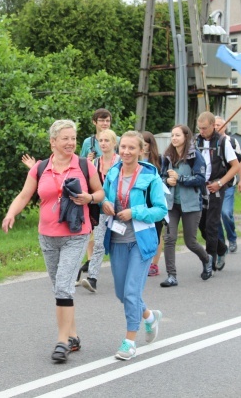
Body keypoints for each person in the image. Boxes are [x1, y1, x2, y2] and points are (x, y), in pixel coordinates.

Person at [2, 119, 104, 363]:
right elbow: (25, 195)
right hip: (47, 236)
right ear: (53, 142)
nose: (71, 143)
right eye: (65, 138)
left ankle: (62, 342)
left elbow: (100, 193)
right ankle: (74, 335)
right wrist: (10, 213)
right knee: (61, 287)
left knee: (62, 287)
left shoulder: (84, 165)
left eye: (73, 138)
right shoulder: (40, 168)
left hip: (76, 234)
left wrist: (89, 197)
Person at [101, 131, 167, 360]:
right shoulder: (112, 173)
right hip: (117, 239)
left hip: (141, 241)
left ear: (141, 151)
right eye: (123, 147)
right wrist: (106, 203)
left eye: (132, 148)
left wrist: (135, 212)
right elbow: (105, 198)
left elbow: (161, 210)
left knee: (131, 292)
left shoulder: (150, 177)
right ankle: (149, 316)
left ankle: (129, 341)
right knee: (122, 293)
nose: (126, 152)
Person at [160, 125, 211, 287]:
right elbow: (160, 178)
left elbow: (201, 179)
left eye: (177, 135)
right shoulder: (167, 156)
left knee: (190, 241)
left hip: (191, 205)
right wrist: (167, 181)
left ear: (186, 137)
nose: (174, 138)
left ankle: (207, 259)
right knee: (169, 238)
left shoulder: (194, 156)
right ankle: (171, 276)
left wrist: (180, 178)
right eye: (172, 135)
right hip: (171, 204)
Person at [195, 112, 240, 271]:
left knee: (212, 224)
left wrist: (220, 183)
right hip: (200, 187)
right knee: (201, 225)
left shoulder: (223, 142)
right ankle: (221, 249)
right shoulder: (196, 141)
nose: (202, 131)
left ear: (213, 126)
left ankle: (209, 261)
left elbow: (235, 166)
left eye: (205, 128)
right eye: (199, 128)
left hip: (216, 188)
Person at [79, 129, 120, 292]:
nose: (103, 144)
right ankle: (92, 278)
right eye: (101, 141)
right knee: (99, 243)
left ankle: (126, 275)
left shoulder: (121, 162)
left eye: (107, 141)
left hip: (119, 208)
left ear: (114, 143)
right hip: (101, 208)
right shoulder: (94, 163)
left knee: (120, 244)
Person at [214, 116, 241, 254]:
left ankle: (232, 237)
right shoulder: (208, 142)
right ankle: (221, 243)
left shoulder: (232, 142)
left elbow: (240, 163)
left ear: (225, 127)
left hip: (228, 184)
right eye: (214, 124)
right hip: (213, 186)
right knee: (215, 216)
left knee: (226, 213)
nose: (216, 127)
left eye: (219, 125)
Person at [141, 131, 166, 277]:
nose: (142, 148)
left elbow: (164, 178)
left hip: (155, 199)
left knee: (156, 231)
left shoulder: (159, 160)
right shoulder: (133, 160)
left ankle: (154, 264)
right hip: (140, 201)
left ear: (150, 146)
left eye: (145, 145)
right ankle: (143, 261)